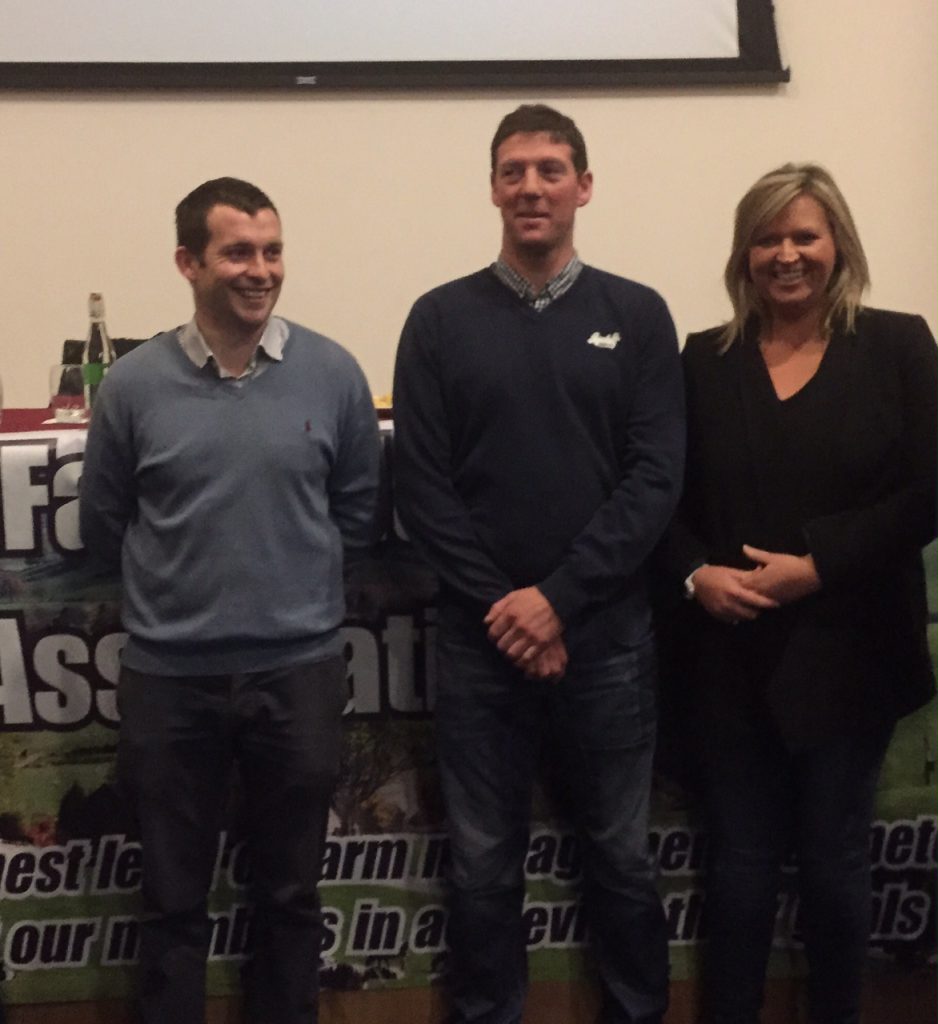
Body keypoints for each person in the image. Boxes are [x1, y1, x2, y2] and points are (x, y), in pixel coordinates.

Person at [392, 104, 685, 1024]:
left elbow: (655, 479)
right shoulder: (438, 320)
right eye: (513, 170)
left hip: (608, 642)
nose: (531, 186)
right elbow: (423, 491)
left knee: (622, 855)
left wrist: (556, 602)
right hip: (482, 646)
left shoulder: (637, 315)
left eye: (551, 169)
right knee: (481, 862)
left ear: (583, 188)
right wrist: (514, 613)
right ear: (491, 188)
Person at [79, 177, 380, 1024]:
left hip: (299, 673)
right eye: (238, 252)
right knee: (173, 901)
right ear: (188, 262)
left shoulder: (333, 372)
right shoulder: (133, 386)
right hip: (171, 680)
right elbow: (106, 524)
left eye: (273, 250)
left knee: (290, 896)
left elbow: (355, 513)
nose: (260, 270)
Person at [658, 163, 937, 1024]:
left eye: (804, 236)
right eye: (768, 238)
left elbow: (930, 490)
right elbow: (657, 498)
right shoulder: (702, 361)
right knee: (737, 868)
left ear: (837, 245)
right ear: (744, 254)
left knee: (833, 865)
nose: (786, 254)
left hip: (852, 655)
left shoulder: (898, 344)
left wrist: (818, 565)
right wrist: (698, 574)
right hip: (730, 660)